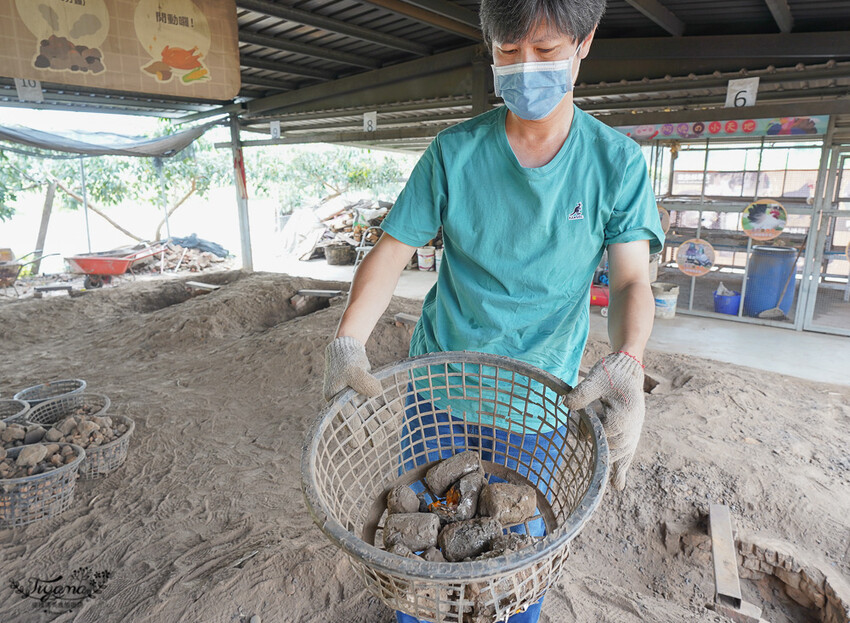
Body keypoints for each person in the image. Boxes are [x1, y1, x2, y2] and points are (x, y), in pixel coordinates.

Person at [323, 0, 664, 619]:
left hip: (539, 399)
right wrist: (349, 342)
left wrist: (629, 363)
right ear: (490, 47)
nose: (525, 68)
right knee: (422, 532)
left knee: (517, 556)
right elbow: (392, 251)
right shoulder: (455, 153)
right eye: (508, 53)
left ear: (585, 42)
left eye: (546, 49)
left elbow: (632, 279)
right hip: (438, 387)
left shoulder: (614, 162)